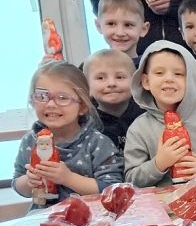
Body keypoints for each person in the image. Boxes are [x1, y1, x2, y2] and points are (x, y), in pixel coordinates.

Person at [124, 41, 196, 186]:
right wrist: (158, 164)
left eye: (178, 74)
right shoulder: (139, 129)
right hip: (162, 200)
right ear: (146, 81)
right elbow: (131, 179)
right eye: (159, 73)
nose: (169, 79)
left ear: (192, 80)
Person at [13, 62, 123, 204]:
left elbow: (111, 189)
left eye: (62, 98)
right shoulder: (30, 141)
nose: (51, 104)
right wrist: (29, 181)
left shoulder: (97, 143)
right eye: (42, 96)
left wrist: (68, 178)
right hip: (44, 214)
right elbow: (18, 184)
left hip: (90, 214)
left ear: (82, 106)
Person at [83, 49, 144, 150]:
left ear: (135, 82)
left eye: (119, 77)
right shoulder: (86, 125)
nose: (111, 83)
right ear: (87, 87)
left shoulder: (146, 115)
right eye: (100, 78)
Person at [93, 0, 149, 65]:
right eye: (111, 24)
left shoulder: (150, 67)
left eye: (128, 25)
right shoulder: (93, 67)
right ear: (99, 26)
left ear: (143, 29)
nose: (120, 33)